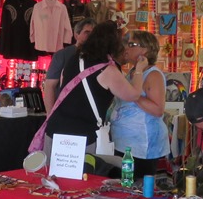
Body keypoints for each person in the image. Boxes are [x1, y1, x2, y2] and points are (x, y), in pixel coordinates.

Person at [44, 21, 146, 155]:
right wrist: (139, 69)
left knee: (53, 174)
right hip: (82, 134)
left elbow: (64, 86)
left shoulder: (75, 59)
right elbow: (133, 95)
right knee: (83, 175)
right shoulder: (108, 69)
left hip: (55, 128)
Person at [110, 30, 170, 179]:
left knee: (136, 186)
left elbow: (157, 110)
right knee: (123, 184)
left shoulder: (152, 74)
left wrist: (132, 93)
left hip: (142, 144)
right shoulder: (131, 72)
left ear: (145, 49)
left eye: (131, 44)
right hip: (124, 142)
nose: (126, 48)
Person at [43, 18, 95, 112]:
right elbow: (50, 86)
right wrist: (50, 115)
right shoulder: (62, 55)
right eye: (86, 32)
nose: (90, 35)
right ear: (76, 35)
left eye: (93, 33)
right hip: (65, 109)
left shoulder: (99, 56)